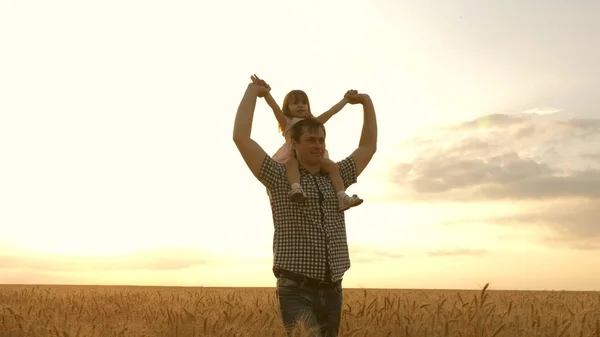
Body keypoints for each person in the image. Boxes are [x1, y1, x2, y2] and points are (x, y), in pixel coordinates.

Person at [232, 77, 377, 337]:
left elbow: (367, 147)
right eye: (311, 140)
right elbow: (241, 138)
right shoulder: (279, 178)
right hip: (296, 287)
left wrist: (366, 103)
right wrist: (253, 92)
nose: (318, 145)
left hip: (334, 288)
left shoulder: (336, 176)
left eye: (321, 140)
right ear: (293, 144)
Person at [250, 74, 363, 212]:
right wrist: (266, 93)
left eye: (304, 103)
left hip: (312, 156)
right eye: (295, 103)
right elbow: (274, 108)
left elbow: (331, 112)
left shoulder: (314, 124)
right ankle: (296, 188)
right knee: (291, 164)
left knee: (332, 166)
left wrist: (345, 100)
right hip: (292, 155)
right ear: (287, 107)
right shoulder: (287, 123)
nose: (300, 106)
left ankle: (342, 196)